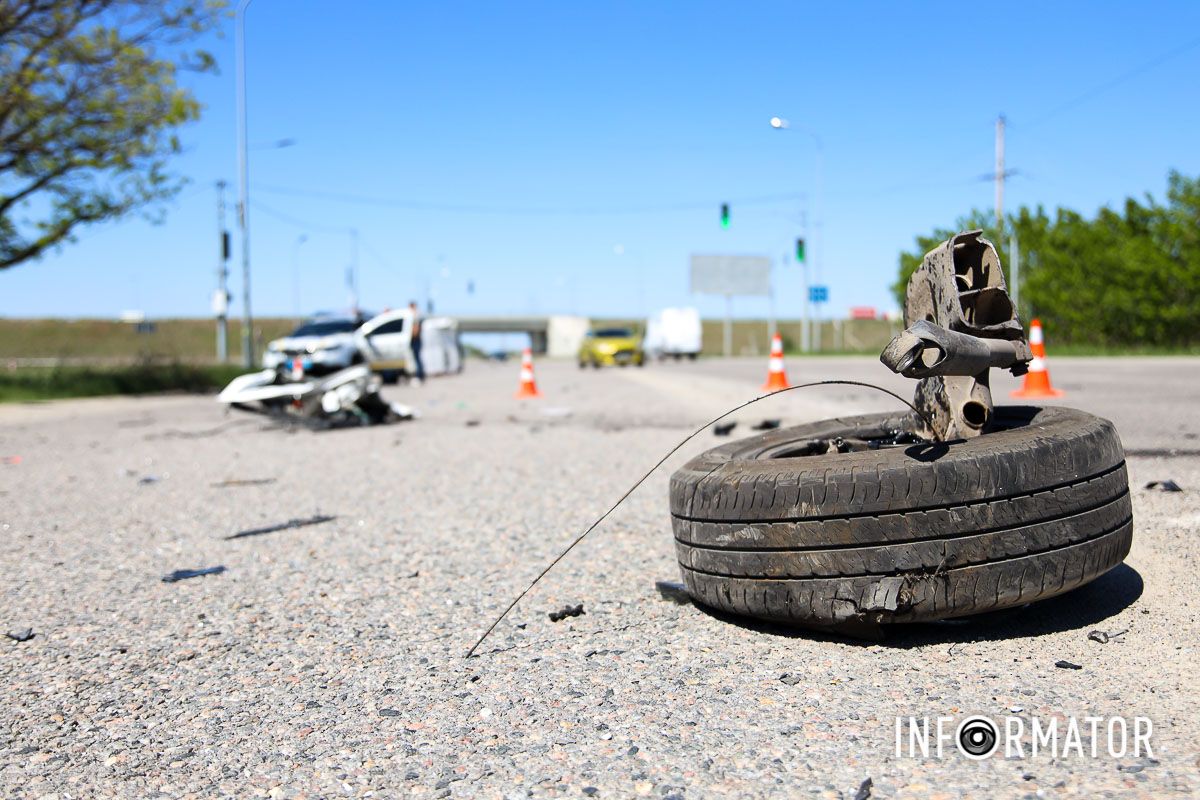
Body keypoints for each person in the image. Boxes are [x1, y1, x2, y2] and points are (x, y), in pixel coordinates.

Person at [408, 300, 425, 385]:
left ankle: (419, 376)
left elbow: (416, 328)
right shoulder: (417, 314)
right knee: (417, 358)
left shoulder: (415, 315)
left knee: (416, 358)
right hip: (417, 339)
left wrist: (412, 336)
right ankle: (420, 375)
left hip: (415, 339)